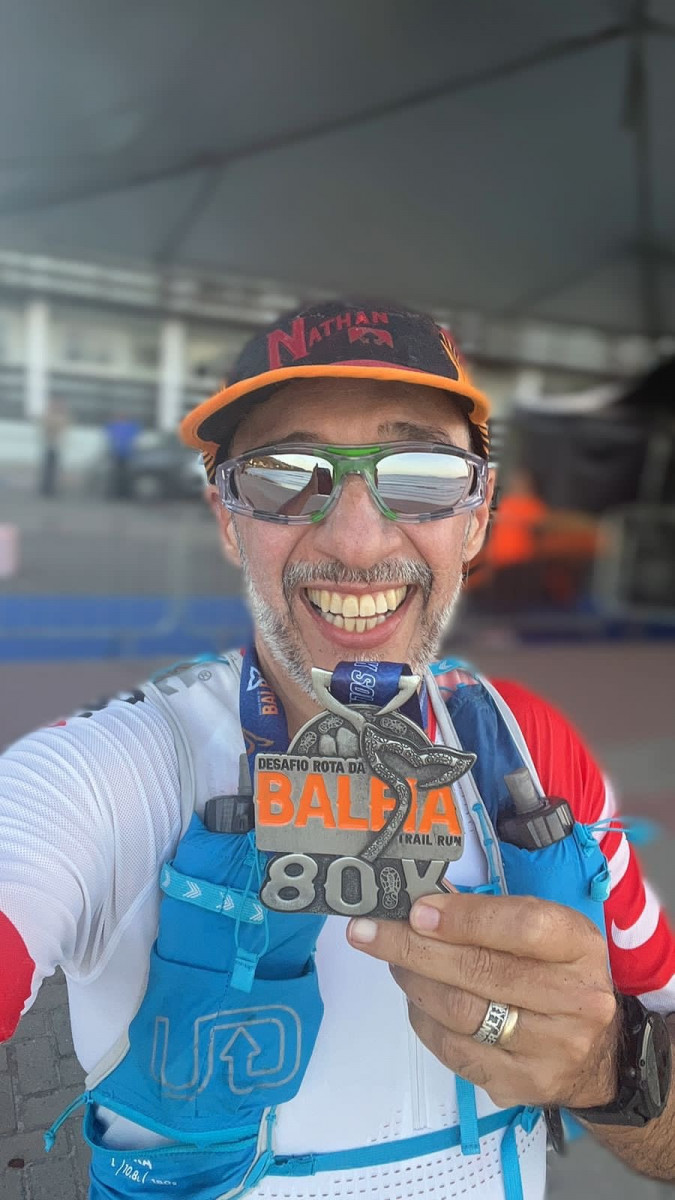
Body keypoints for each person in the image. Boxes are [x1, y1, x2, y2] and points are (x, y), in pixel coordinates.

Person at [0, 300, 673, 1200]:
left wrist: (609, 1069)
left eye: (423, 475)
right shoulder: (108, 773)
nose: (356, 541)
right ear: (229, 519)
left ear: (475, 519)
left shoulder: (528, 750)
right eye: (284, 476)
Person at [104, 413, 141, 498]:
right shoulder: (116, 427)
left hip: (126, 454)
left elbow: (137, 430)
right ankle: (118, 493)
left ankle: (123, 493)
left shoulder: (128, 427)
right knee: (117, 475)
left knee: (124, 475)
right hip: (117, 454)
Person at [38, 398, 68, 497]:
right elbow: (47, 428)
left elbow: (63, 428)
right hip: (51, 445)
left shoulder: (56, 417)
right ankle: (47, 488)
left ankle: (50, 488)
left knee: (53, 469)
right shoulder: (50, 416)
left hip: (56, 445)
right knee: (49, 469)